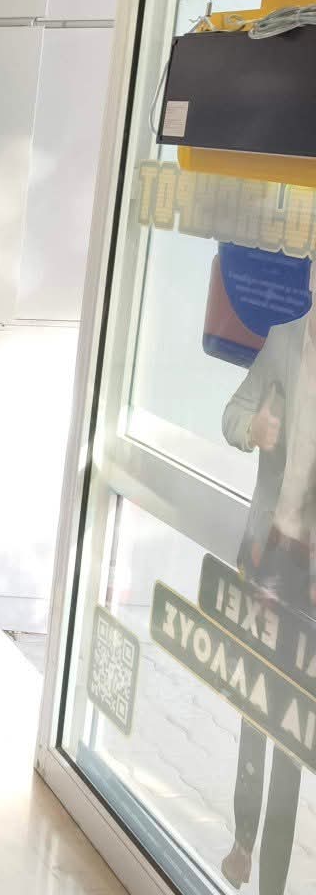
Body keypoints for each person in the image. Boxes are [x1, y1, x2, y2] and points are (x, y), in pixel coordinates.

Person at [219, 287, 316, 895]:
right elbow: (231, 414)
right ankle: (243, 837)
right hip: (267, 555)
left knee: (294, 724)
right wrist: (252, 428)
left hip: (311, 573)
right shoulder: (283, 343)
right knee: (257, 704)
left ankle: (273, 879)